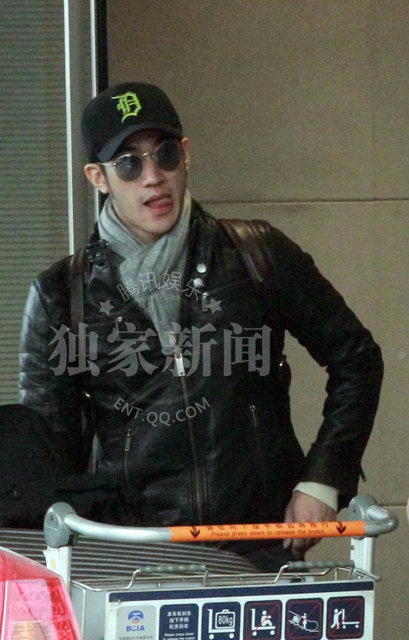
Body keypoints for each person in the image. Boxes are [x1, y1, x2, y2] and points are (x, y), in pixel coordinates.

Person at [18, 81, 384, 570]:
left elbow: (356, 358)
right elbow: (47, 454)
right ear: (98, 177)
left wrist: (323, 480)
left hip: (260, 544)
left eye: (165, 154)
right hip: (130, 555)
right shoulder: (62, 294)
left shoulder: (256, 254)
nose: (153, 177)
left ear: (186, 154)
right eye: (128, 164)